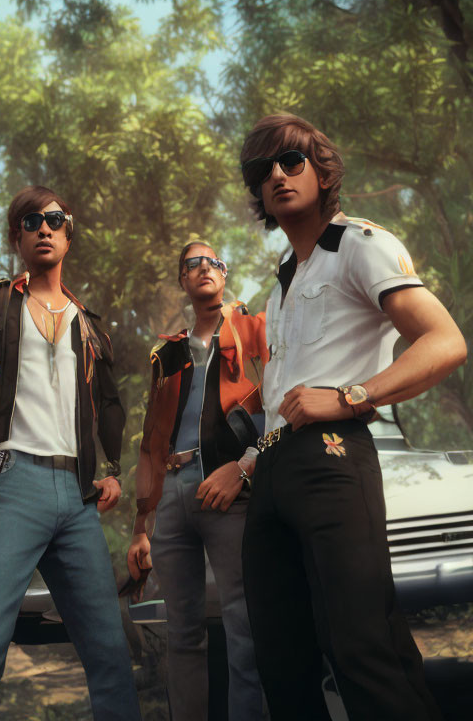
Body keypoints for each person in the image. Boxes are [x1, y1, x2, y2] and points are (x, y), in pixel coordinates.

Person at [238, 113, 466, 721]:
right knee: (282, 663)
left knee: (362, 645)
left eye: (293, 162)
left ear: (322, 169)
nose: (279, 177)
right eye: (264, 171)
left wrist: (349, 396)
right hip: (273, 474)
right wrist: (250, 461)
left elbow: (444, 342)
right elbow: (281, 394)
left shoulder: (361, 244)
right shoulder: (280, 284)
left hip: (334, 456)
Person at [0, 185, 142, 721]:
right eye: (31, 221)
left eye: (55, 219)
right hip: (8, 485)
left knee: (108, 650)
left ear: (68, 235)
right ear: (17, 237)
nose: (44, 228)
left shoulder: (91, 327)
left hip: (76, 498)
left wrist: (115, 471)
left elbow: (109, 405)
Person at [126, 241, 269, 721]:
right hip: (173, 494)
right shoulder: (167, 352)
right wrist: (142, 524)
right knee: (182, 631)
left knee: (245, 623)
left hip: (230, 491)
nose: (204, 267)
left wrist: (249, 464)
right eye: (193, 263)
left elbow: (278, 403)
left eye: (214, 262)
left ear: (224, 276)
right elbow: (151, 439)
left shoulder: (254, 329)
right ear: (183, 281)